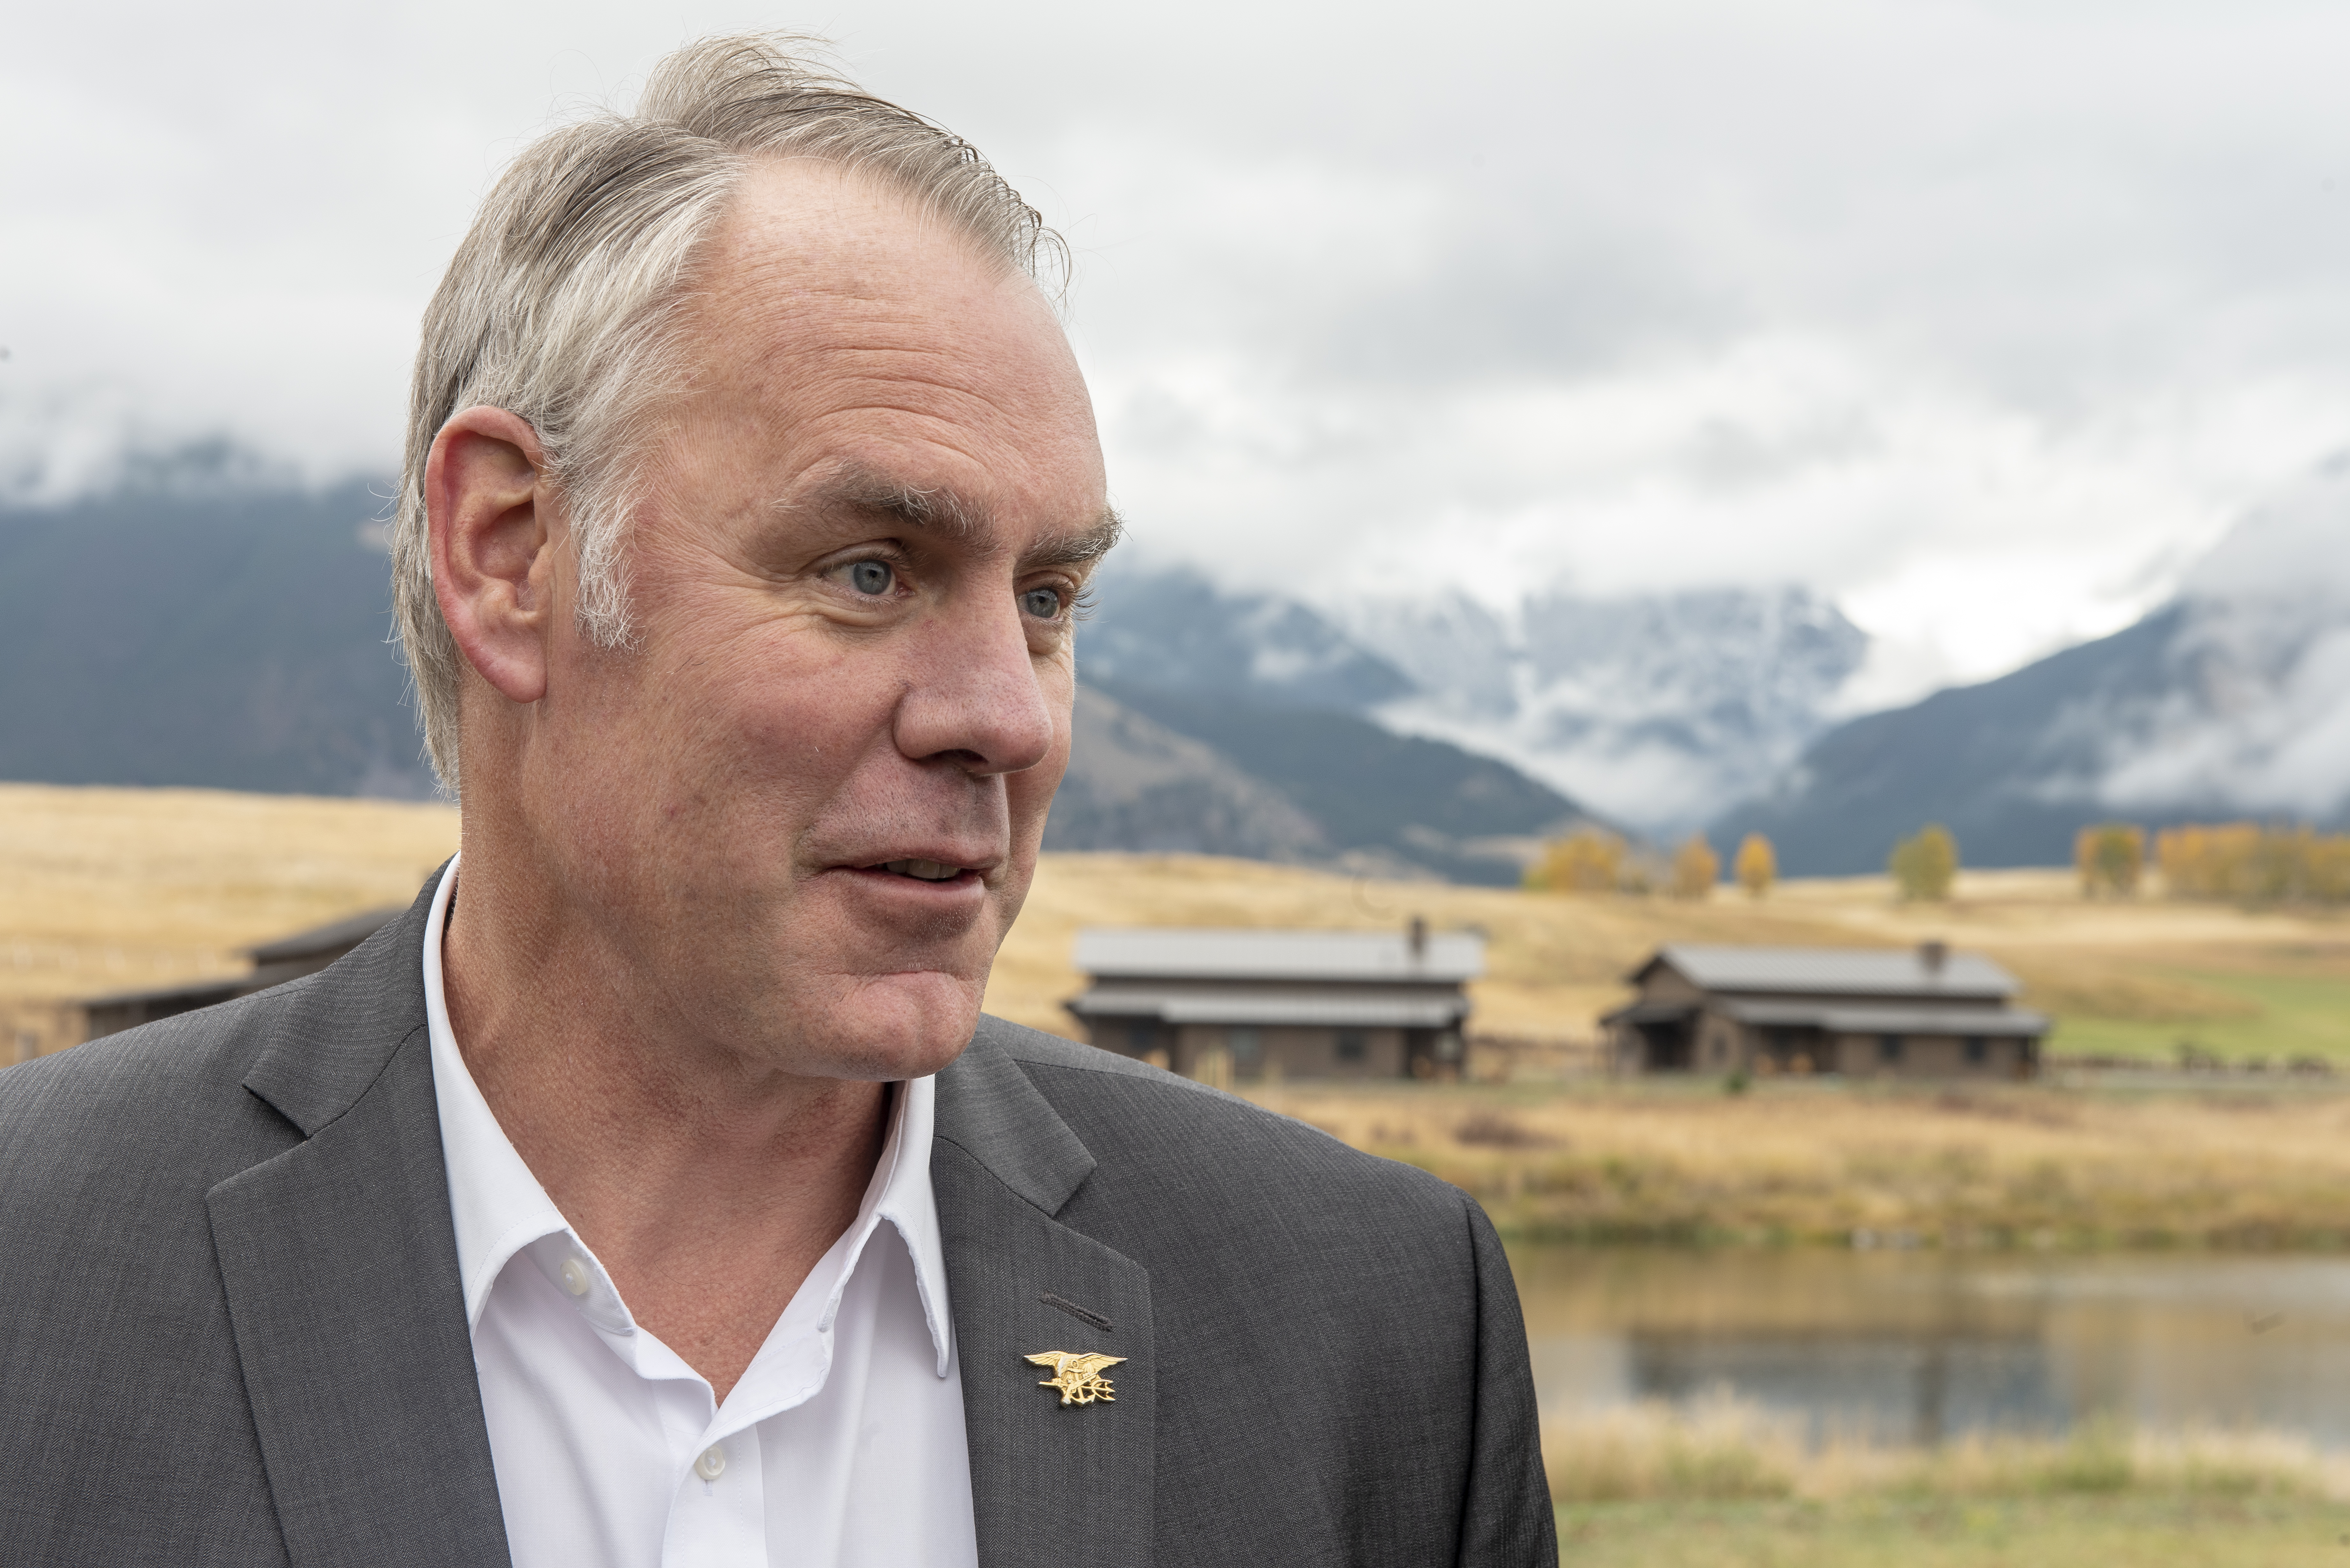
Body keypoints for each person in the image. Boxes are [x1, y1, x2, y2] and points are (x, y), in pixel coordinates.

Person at [0, 34, 1554, 1567]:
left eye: (1049, 597)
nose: (1006, 718)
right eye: (868, 570)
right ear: (509, 554)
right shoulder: (37, 1272)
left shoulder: (1372, 1325)